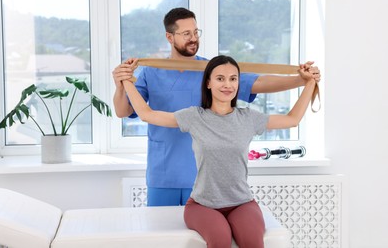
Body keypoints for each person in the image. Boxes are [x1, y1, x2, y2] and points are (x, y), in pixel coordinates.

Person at [112, 7, 321, 206]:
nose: (193, 38)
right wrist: (121, 84)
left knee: (197, 240)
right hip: (163, 171)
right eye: (186, 33)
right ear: (170, 37)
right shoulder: (151, 72)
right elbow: (124, 111)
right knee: (161, 236)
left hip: (204, 175)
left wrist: (300, 80)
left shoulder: (212, 70)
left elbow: (258, 82)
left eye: (195, 31)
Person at [123, 55, 317, 248]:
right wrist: (126, 80)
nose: (227, 85)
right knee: (220, 240)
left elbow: (292, 119)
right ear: (208, 83)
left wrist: (310, 83)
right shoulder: (194, 117)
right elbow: (147, 114)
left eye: (233, 79)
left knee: (253, 242)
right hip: (202, 205)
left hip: (242, 203)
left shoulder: (249, 118)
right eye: (220, 78)